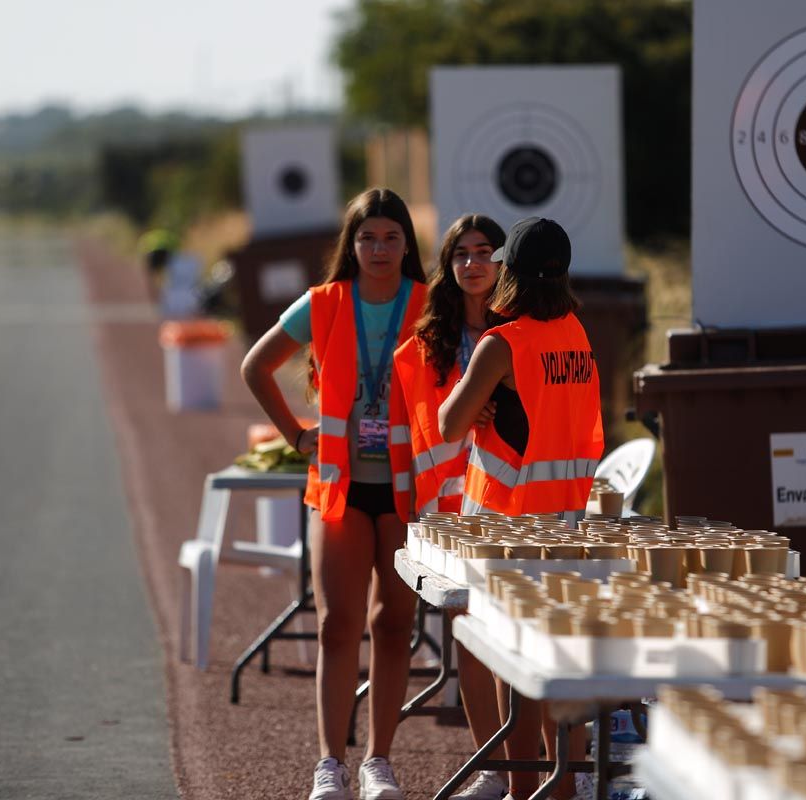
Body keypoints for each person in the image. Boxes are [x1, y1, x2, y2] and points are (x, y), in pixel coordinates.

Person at [241, 188, 427, 800]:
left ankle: (379, 763)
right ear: (350, 244)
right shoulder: (323, 303)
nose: (378, 248)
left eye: (391, 237)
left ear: (407, 244)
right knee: (337, 625)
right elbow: (255, 365)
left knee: (395, 624)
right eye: (367, 237)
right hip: (341, 487)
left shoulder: (430, 305)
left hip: (406, 492)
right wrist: (295, 434)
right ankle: (330, 764)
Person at [440, 217, 604, 800]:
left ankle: (522, 790)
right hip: (569, 520)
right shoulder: (577, 334)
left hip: (511, 530)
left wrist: (479, 397)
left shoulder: (502, 343)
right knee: (566, 662)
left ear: (509, 272)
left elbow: (448, 423)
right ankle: (574, 785)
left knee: (519, 669)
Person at [391, 214, 509, 799]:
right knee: (469, 635)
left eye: (484, 251)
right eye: (460, 253)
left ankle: (528, 768)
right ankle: (492, 767)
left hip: (513, 500)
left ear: (503, 261)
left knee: (517, 635)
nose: (472, 263)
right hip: (453, 504)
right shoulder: (429, 341)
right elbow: (426, 423)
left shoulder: (522, 328)